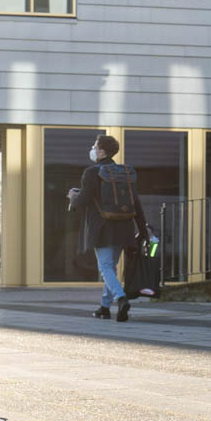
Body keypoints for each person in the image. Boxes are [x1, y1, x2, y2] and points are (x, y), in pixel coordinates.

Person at [66, 134, 150, 321]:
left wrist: (73, 197)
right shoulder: (126, 172)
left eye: (95, 146)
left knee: (105, 267)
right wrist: (142, 230)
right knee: (110, 267)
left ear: (102, 151)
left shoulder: (91, 172)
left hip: (102, 228)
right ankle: (104, 307)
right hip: (125, 227)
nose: (93, 149)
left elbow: (84, 199)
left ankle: (121, 299)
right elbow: (136, 203)